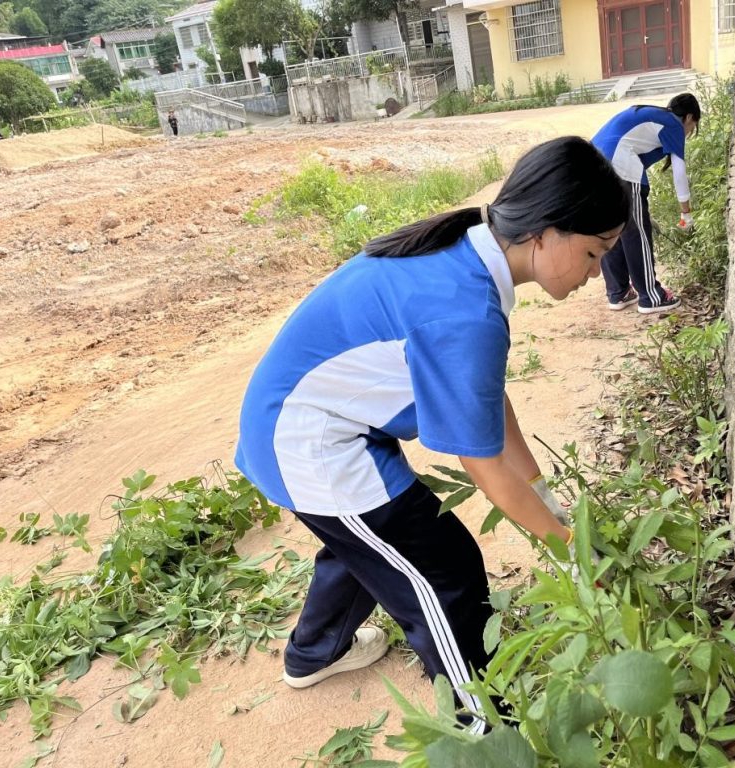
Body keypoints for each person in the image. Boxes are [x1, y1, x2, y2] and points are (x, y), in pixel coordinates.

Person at [234, 136, 628, 728]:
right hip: (307, 442)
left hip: (298, 420)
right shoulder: (466, 312)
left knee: (367, 543)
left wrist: (544, 496)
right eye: (596, 254)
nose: (596, 275)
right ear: (546, 231)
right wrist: (566, 548)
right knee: (444, 574)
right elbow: (487, 465)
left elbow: (487, 401)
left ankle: (315, 652)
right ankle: (485, 723)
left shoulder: (468, 250)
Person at [591, 93, 701, 314]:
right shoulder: (673, 124)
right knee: (636, 231)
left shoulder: (652, 117)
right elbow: (679, 172)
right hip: (619, 165)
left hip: (593, 163)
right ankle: (651, 297)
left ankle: (619, 292)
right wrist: (685, 213)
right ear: (688, 117)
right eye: (693, 125)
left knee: (611, 229)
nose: (689, 131)